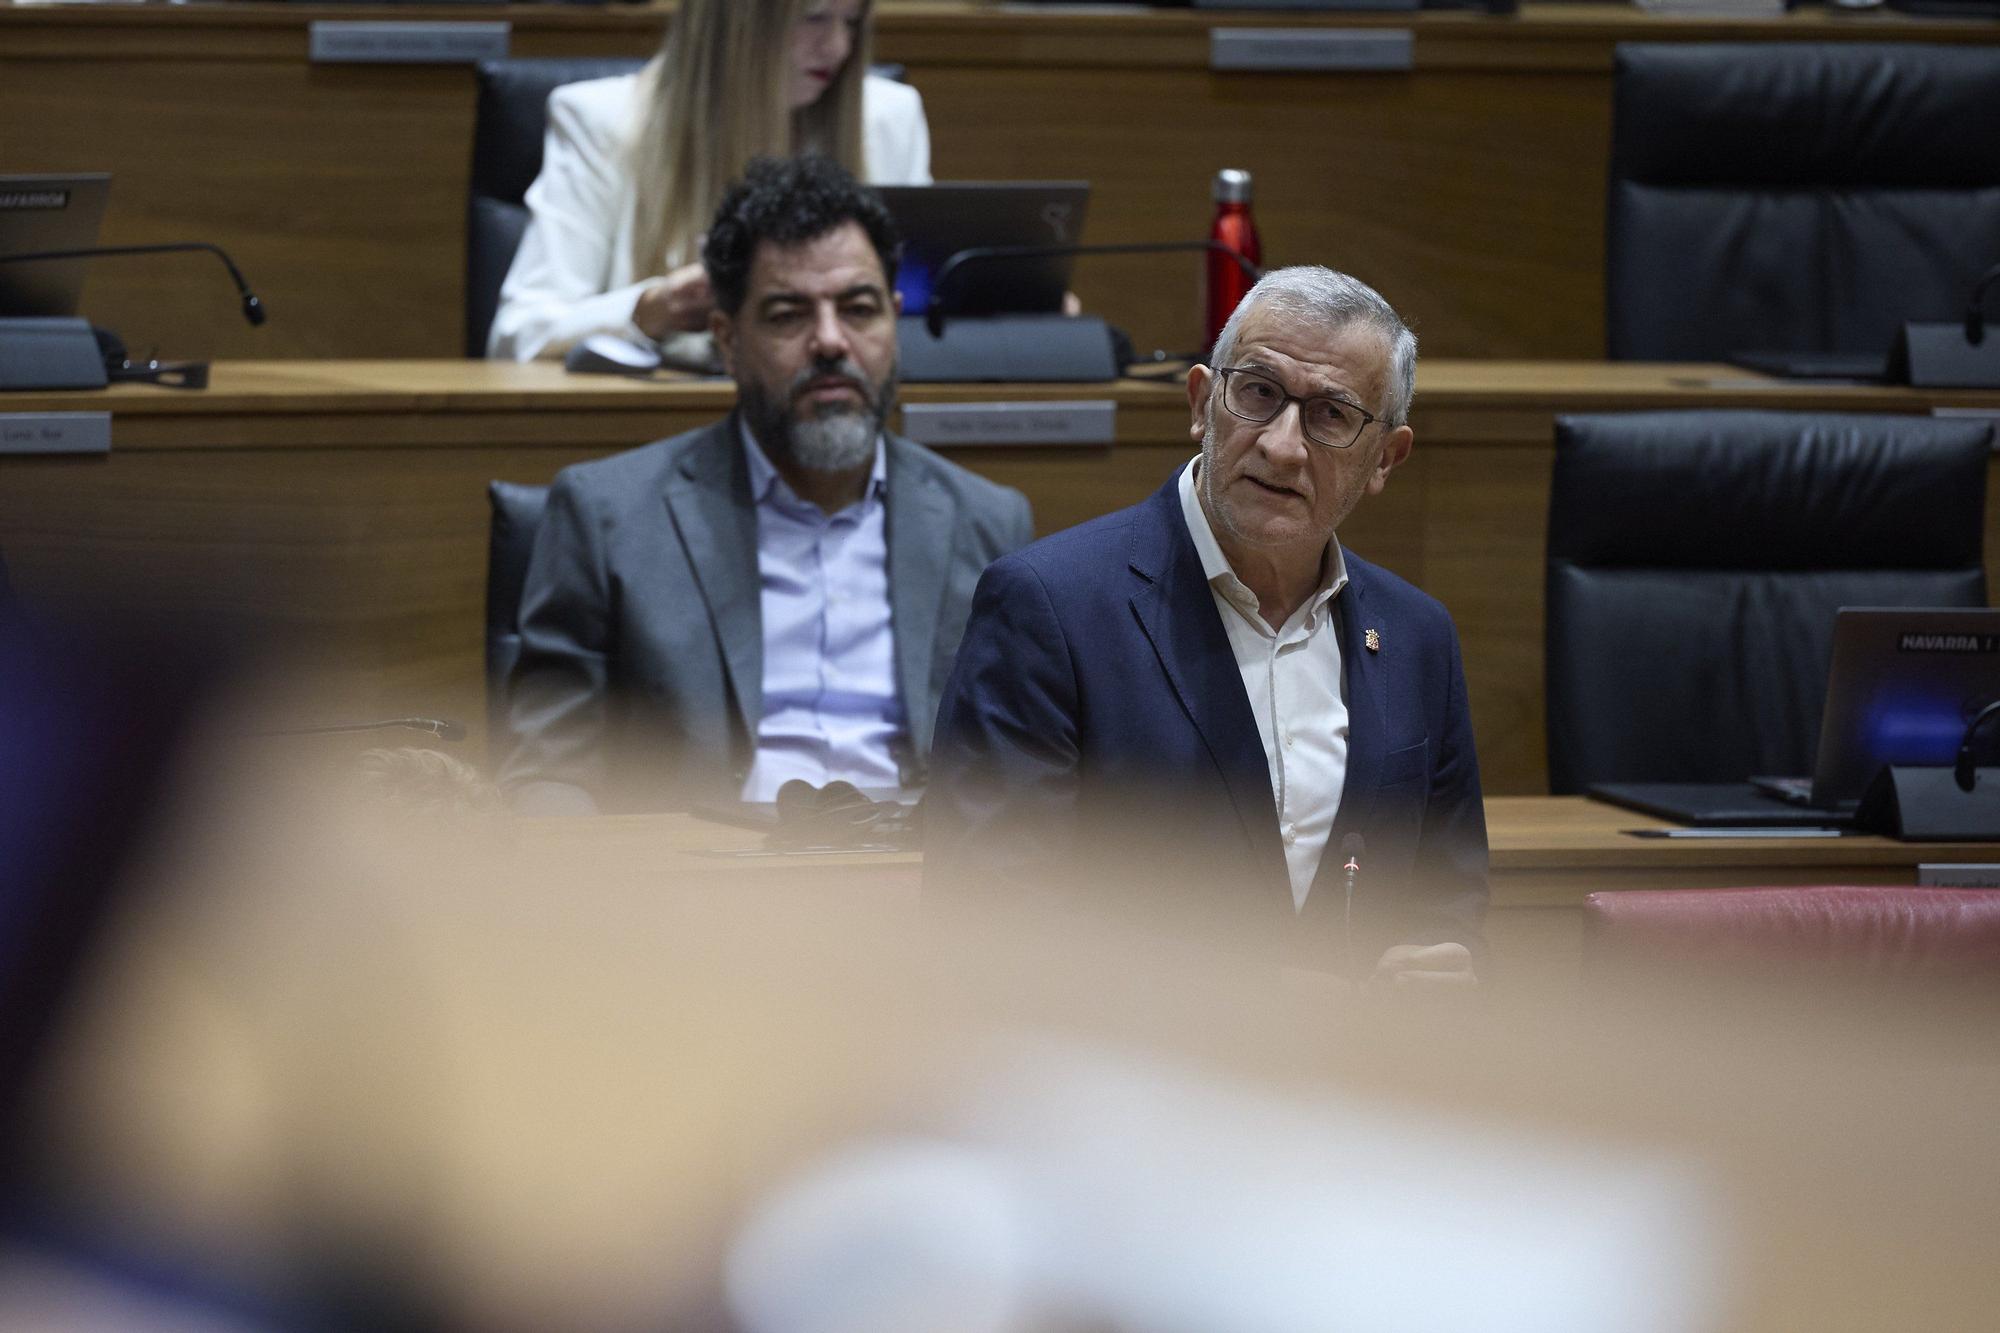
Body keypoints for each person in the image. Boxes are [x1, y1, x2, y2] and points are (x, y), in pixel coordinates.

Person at [924, 267, 1487, 981]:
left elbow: (1450, 898)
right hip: (1123, 1081)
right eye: (1258, 393)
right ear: (1201, 402)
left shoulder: (1418, 637)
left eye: (1331, 415)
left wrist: (1449, 964)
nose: (1283, 446)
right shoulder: (1048, 607)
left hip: (1355, 1083)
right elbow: (988, 916)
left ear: (1385, 459)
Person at [500, 156, 1032, 814]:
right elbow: (550, 774)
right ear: (727, 339)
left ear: (895, 320)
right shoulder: (608, 515)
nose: (831, 341)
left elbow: (1015, 774)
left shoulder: (987, 521)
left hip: (914, 883)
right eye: (788, 315)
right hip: (705, 887)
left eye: (859, 309)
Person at [488, 0, 931, 363]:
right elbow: (518, 337)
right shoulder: (602, 123)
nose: (838, 46)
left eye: (851, 23)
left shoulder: (889, 120)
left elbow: (925, 315)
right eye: (814, 17)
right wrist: (653, 310)